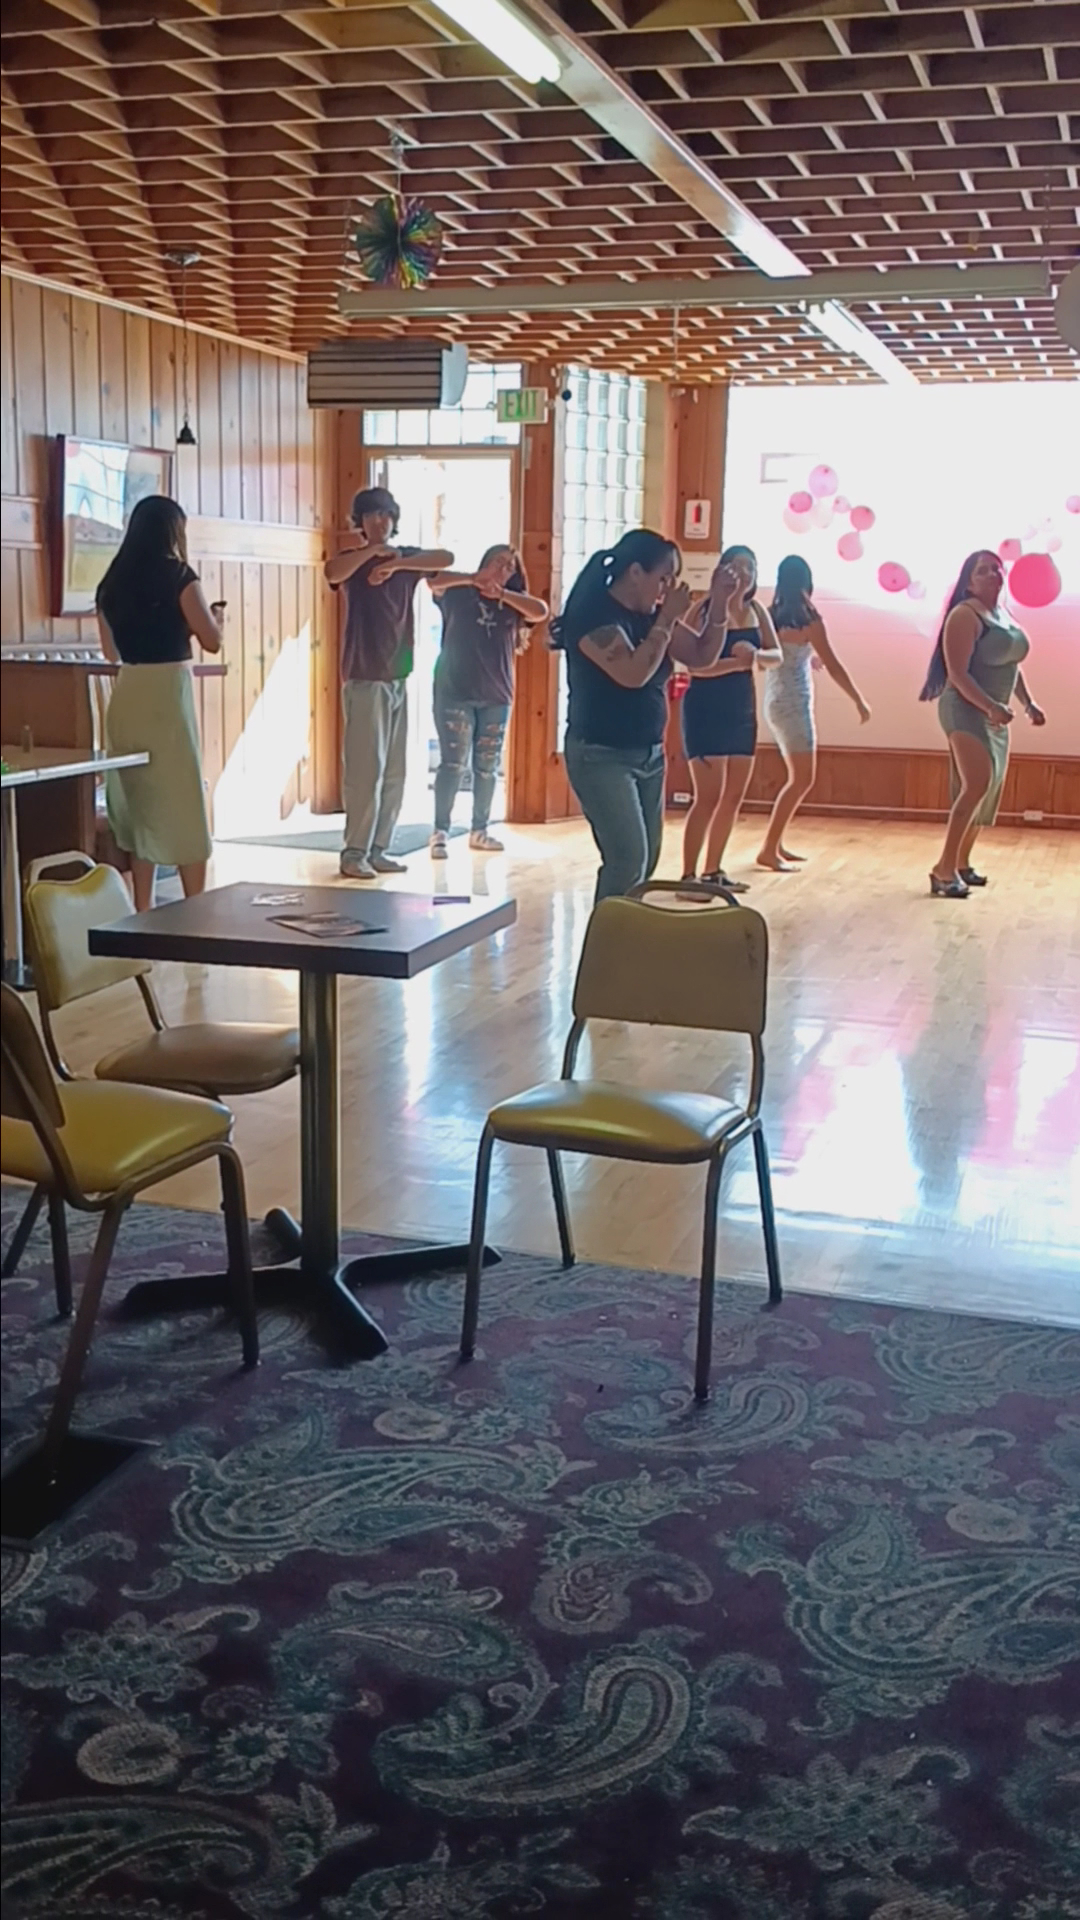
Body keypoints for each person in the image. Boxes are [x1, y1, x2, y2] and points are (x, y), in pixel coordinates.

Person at [555, 529, 739, 903]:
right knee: (627, 860)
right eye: (664, 577)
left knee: (647, 860)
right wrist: (666, 620)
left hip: (649, 755)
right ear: (636, 572)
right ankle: (607, 938)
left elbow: (702, 655)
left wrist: (720, 604)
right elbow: (632, 673)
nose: (667, 588)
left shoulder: (652, 617)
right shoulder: (595, 617)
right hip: (599, 754)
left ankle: (627, 931)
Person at [95, 495, 223, 913]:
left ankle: (143, 909)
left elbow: (111, 653)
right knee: (184, 800)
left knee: (142, 807)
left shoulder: (110, 583)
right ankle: (196, 909)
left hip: (128, 692)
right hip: (168, 694)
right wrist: (217, 620)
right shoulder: (180, 576)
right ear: (173, 531)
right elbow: (211, 640)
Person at [324, 486, 453, 880]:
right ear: (360, 522)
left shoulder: (405, 560)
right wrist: (372, 552)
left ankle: (379, 848)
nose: (380, 521)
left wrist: (396, 564)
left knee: (395, 770)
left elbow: (446, 558)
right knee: (366, 769)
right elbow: (332, 572)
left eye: (385, 514)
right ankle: (354, 852)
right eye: (371, 515)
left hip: (398, 675)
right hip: (364, 676)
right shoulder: (353, 561)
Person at [920, 548, 1046, 898]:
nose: (993, 574)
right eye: (983, 570)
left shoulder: (1003, 615)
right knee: (976, 783)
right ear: (969, 583)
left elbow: (1011, 665)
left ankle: (962, 863)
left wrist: (1028, 703)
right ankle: (943, 869)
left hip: (995, 712)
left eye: (997, 568)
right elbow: (958, 674)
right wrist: (990, 707)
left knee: (988, 788)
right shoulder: (964, 615)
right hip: (965, 708)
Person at [428, 546, 548, 857]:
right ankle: (440, 831)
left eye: (509, 566)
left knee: (487, 766)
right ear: (485, 562)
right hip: (454, 690)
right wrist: (474, 579)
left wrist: (503, 594)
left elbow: (540, 611)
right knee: (452, 762)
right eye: (498, 562)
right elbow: (433, 582)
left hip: (496, 694)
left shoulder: (513, 603)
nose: (503, 569)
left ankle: (479, 830)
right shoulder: (459, 592)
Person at [757, 553, 871, 870]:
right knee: (802, 779)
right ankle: (769, 848)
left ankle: (776, 844)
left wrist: (806, 658)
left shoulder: (770, 616)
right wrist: (858, 699)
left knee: (797, 777)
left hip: (775, 702)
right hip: (794, 705)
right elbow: (834, 665)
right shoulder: (809, 620)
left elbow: (772, 659)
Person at [680, 544, 782, 892]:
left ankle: (713, 871)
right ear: (722, 572)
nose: (744, 575)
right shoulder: (702, 609)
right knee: (707, 795)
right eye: (736, 567)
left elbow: (776, 655)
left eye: (750, 568)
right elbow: (693, 666)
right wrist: (735, 664)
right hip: (706, 706)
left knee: (734, 794)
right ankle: (689, 875)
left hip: (741, 707)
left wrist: (756, 656)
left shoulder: (757, 610)